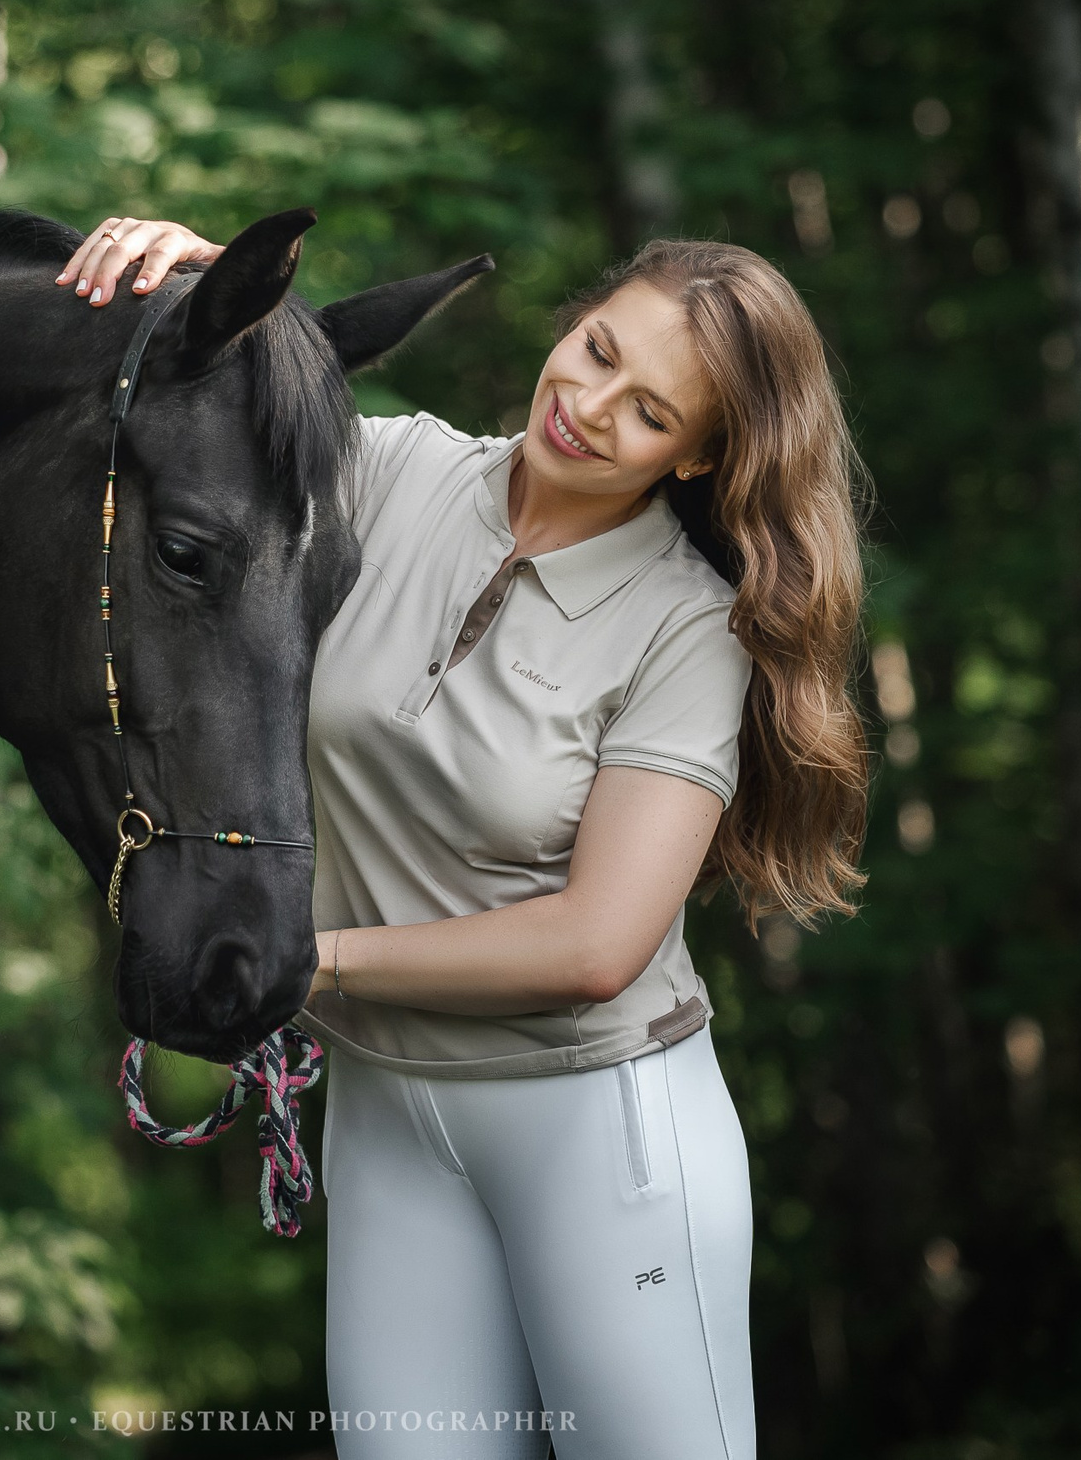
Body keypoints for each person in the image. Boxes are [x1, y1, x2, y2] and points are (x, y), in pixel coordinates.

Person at [56, 217, 871, 1458]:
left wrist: (308, 958)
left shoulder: (689, 631)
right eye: (595, 350)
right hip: (384, 1115)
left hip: (601, 1129)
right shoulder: (388, 474)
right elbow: (245, 386)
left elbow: (597, 944)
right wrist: (194, 263)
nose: (590, 406)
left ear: (700, 458)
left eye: (649, 412)